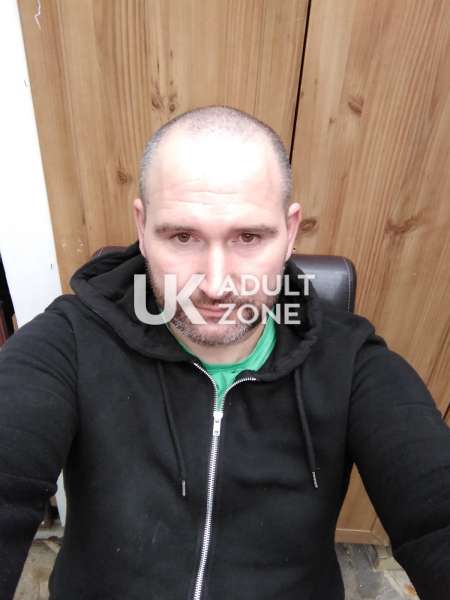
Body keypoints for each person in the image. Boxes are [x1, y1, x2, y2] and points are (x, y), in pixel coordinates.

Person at [0, 105, 449, 600]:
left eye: (248, 237)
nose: (215, 285)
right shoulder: (71, 340)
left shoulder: (352, 363)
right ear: (142, 228)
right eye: (183, 236)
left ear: (290, 232)